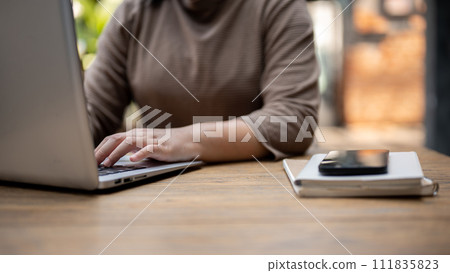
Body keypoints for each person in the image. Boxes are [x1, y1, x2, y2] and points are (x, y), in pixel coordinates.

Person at [85, 0, 320, 166]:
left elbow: (294, 120)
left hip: (255, 190)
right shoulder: (132, 13)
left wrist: (184, 140)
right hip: (158, 194)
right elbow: (92, 118)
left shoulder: (280, 7)